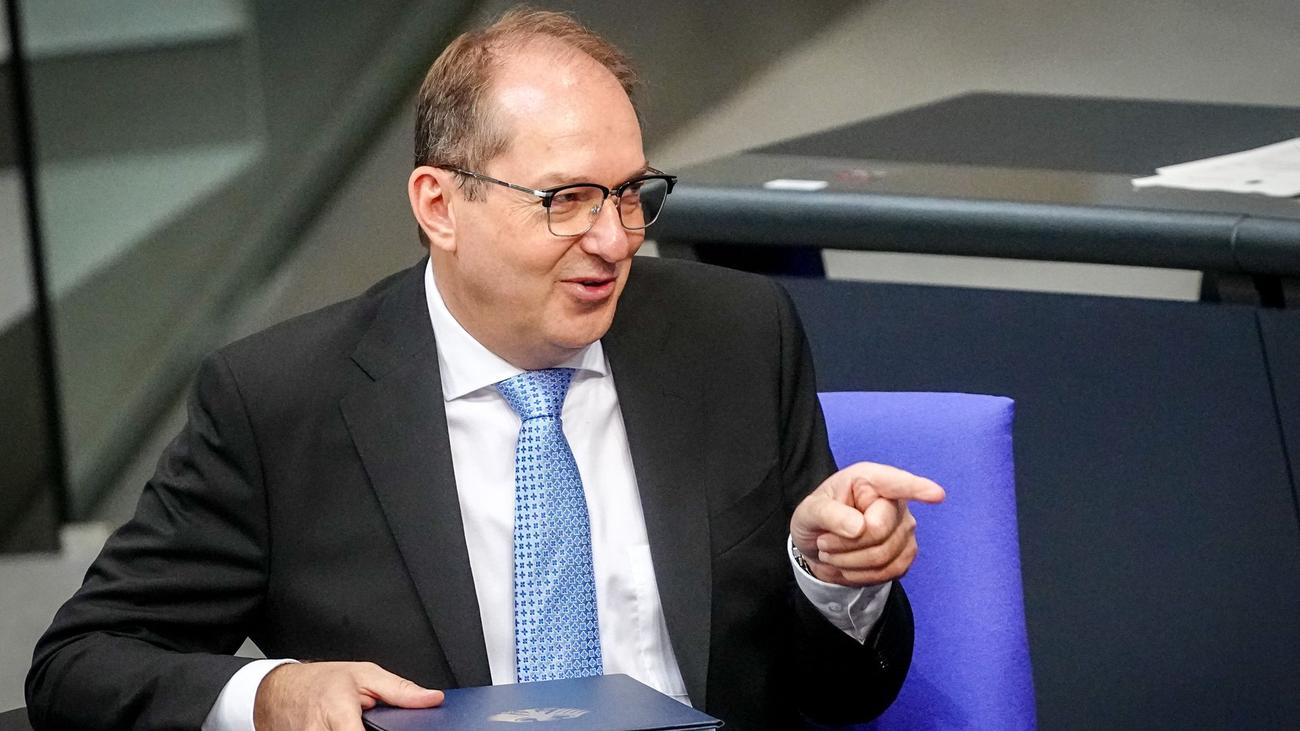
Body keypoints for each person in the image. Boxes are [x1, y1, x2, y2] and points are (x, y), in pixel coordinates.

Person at [27, 8, 944, 730]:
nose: (615, 239)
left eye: (631, 193)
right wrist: (270, 694)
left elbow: (843, 695)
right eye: (567, 199)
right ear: (439, 204)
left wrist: (834, 577)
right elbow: (81, 661)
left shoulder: (735, 337)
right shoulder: (279, 403)